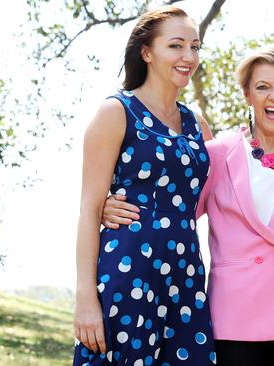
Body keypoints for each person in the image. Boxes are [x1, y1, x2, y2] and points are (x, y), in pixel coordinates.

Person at [102, 46, 274, 366]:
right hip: (233, 318)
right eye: (262, 87)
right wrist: (113, 205)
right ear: (247, 95)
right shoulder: (216, 154)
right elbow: (175, 212)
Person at [73, 6, 216, 365]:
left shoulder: (197, 123)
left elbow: (228, 188)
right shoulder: (116, 111)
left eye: (195, 47)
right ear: (147, 52)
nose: (189, 57)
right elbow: (89, 211)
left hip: (184, 276)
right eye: (176, 46)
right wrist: (85, 299)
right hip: (128, 270)